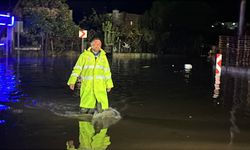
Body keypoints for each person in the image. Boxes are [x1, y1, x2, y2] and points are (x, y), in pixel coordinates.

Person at [67, 38, 114, 114]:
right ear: (91, 45)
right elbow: (77, 69)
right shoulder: (84, 56)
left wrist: (109, 84)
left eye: (99, 44)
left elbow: (107, 72)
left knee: (101, 111)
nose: (97, 46)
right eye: (95, 44)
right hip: (88, 86)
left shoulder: (103, 57)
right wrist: (72, 81)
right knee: (85, 110)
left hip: (100, 87)